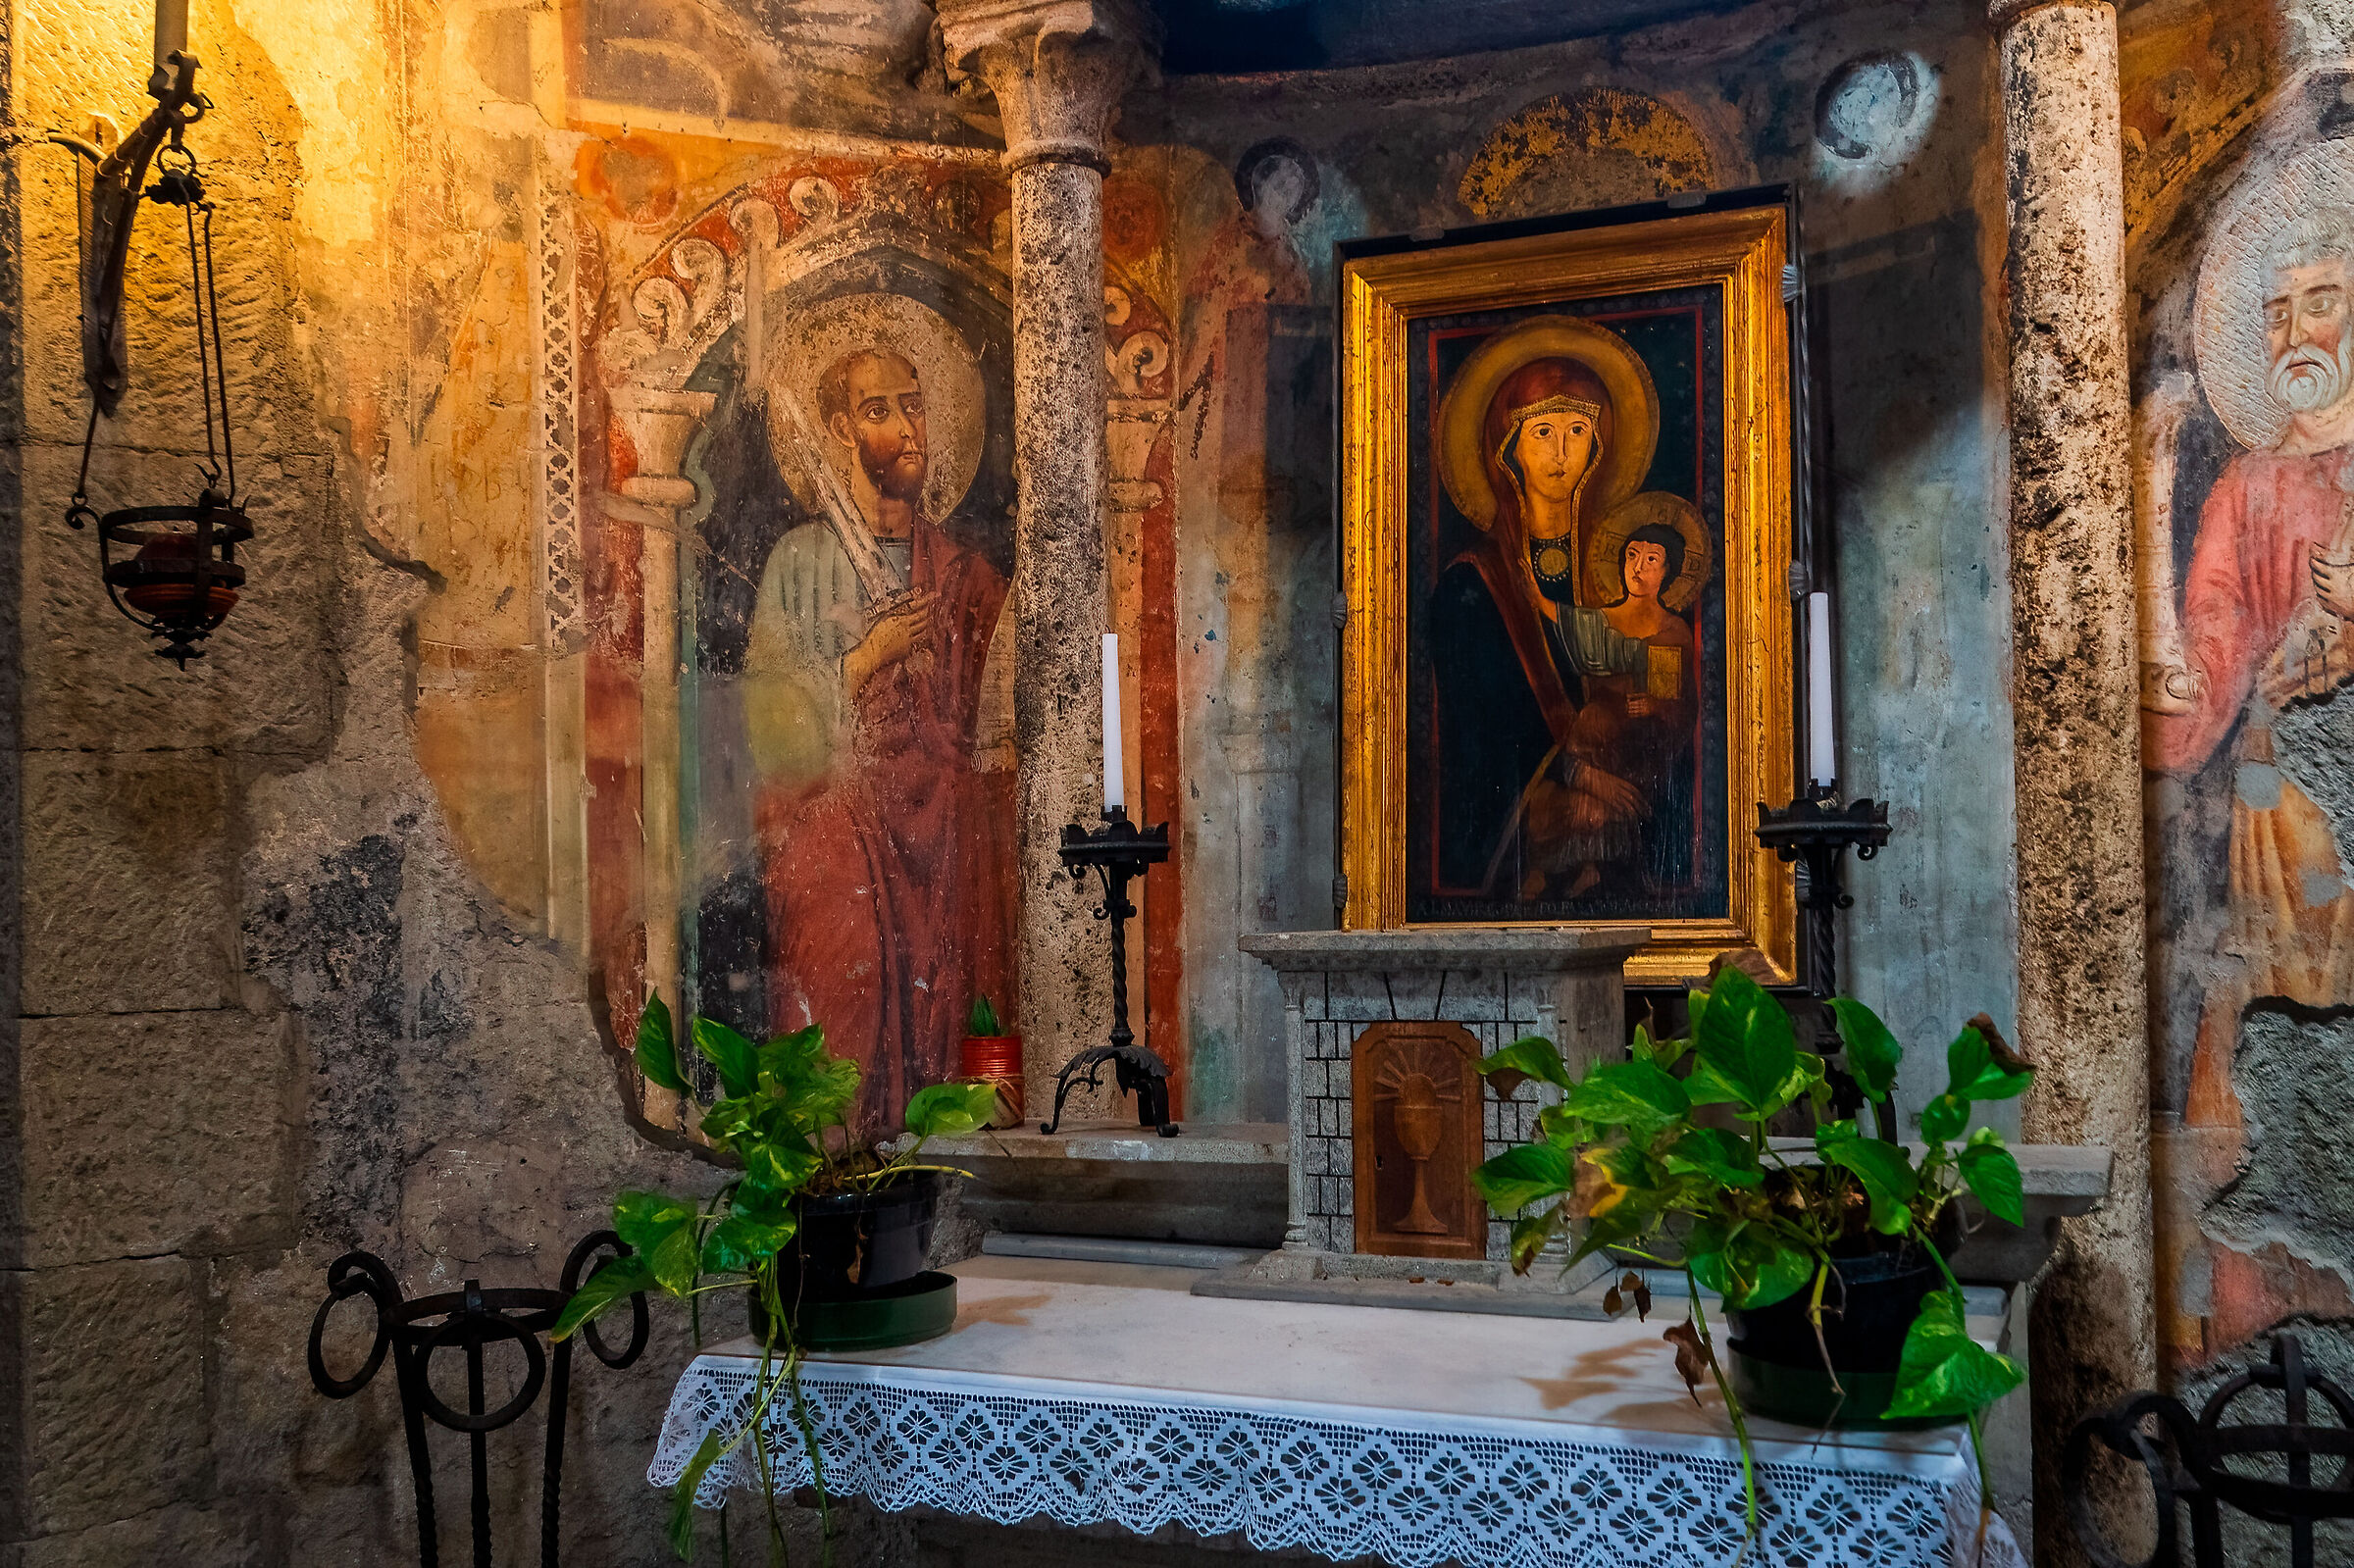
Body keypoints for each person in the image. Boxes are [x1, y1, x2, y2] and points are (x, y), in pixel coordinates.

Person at [744, 346, 1015, 1136]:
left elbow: (1000, 737)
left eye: (915, 404)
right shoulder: (797, 565)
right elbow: (769, 733)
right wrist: (867, 657)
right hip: (839, 843)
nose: (908, 427)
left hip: (948, 853)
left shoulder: (969, 578)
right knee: (837, 1012)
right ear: (837, 429)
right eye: (878, 410)